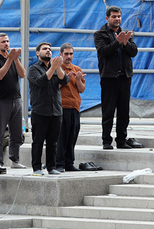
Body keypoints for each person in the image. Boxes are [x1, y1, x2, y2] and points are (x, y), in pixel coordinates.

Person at [94, 5, 142, 150]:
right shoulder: (100, 34)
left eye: (119, 16)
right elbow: (104, 51)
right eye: (114, 16)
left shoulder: (125, 33)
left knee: (124, 112)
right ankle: (106, 141)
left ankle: (121, 140)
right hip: (109, 77)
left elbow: (133, 52)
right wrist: (118, 42)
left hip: (125, 77)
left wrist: (126, 42)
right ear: (107, 18)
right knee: (108, 111)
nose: (117, 19)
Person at [28, 42, 69, 177]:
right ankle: (36, 168)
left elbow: (65, 81)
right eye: (45, 49)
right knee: (38, 141)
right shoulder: (33, 69)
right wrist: (53, 68)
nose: (48, 51)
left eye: (50, 49)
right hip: (40, 111)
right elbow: (41, 81)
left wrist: (57, 68)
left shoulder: (56, 68)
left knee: (53, 142)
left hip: (55, 110)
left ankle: (51, 166)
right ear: (38, 53)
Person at [0, 33, 26, 173]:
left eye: (8, 41)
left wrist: (15, 60)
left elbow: (22, 74)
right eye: (3, 42)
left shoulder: (14, 59)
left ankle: (15, 159)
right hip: (2, 100)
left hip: (16, 99)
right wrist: (10, 60)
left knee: (16, 132)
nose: (6, 44)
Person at [55, 44, 86, 172]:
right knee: (62, 137)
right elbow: (55, 87)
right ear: (60, 54)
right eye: (66, 54)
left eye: (71, 54)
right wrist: (66, 79)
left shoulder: (76, 68)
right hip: (62, 106)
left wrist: (78, 80)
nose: (69, 57)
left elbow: (82, 89)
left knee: (72, 135)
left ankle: (69, 163)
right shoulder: (57, 69)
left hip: (75, 107)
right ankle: (59, 163)